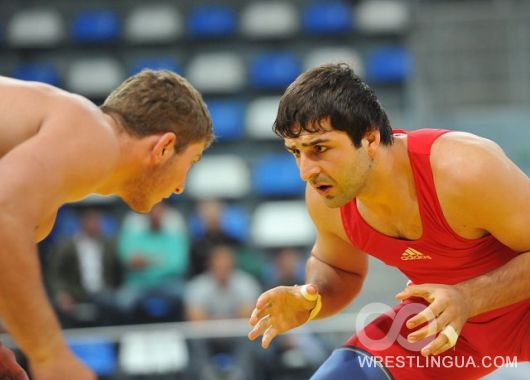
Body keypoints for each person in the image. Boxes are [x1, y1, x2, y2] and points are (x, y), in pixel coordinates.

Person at [248, 63, 530, 379]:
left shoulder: (463, 170)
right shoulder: (326, 199)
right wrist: (310, 298)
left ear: (369, 139)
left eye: (320, 148)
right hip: (443, 324)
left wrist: (469, 297)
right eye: (295, 152)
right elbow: (340, 269)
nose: (306, 171)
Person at [0, 69, 213, 380]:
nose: (181, 186)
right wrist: (49, 354)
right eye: (191, 162)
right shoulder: (94, 133)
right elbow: (4, 214)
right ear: (165, 147)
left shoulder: (49, 198)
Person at [185, 244, 262, 380]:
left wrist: (213, 320)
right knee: (195, 338)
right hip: (207, 336)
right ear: (210, 265)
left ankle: (240, 374)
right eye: (218, 265)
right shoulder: (197, 286)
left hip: (236, 335)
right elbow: (196, 320)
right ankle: (205, 373)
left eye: (226, 265)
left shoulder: (246, 283)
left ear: (233, 265)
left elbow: (249, 317)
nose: (222, 269)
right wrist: (229, 319)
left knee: (250, 335)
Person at [48, 208, 121, 327]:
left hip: (104, 294)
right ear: (82, 222)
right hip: (76, 293)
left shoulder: (109, 245)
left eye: (98, 221)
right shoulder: (67, 246)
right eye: (92, 220)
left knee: (120, 304)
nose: (96, 224)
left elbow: (118, 271)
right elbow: (55, 274)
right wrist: (61, 294)